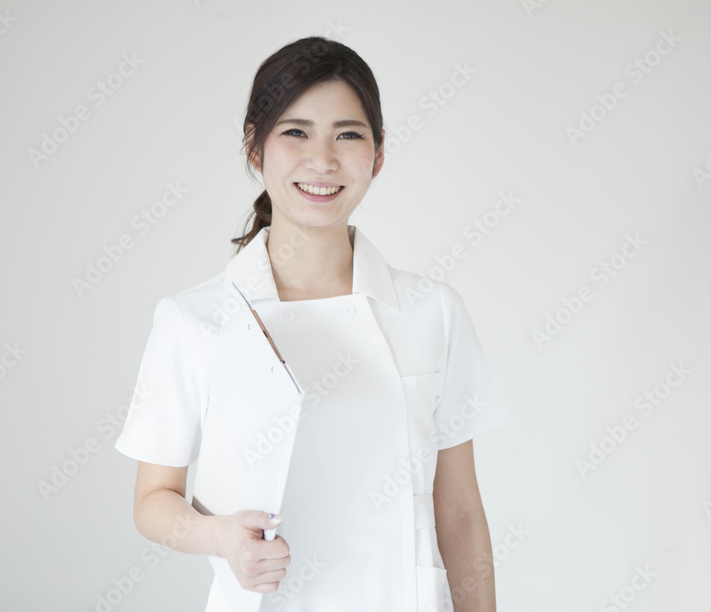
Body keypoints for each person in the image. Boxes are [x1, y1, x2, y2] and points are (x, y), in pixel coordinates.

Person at [114, 36, 507, 611]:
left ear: (377, 154)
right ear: (255, 147)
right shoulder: (196, 319)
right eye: (295, 132)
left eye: (348, 134)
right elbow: (154, 499)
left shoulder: (433, 312)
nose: (323, 160)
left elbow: (462, 511)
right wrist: (219, 536)